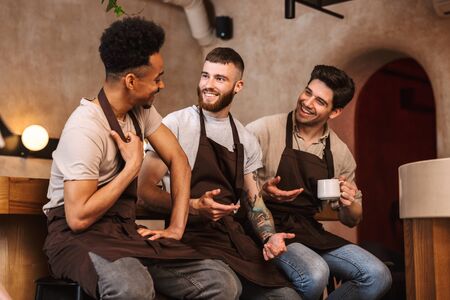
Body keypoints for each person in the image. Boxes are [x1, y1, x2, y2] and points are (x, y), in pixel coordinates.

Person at [42, 17, 240, 300]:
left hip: (124, 232)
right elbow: (78, 218)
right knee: (132, 287)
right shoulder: (84, 128)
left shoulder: (142, 112)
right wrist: (132, 166)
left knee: (222, 281)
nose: (162, 85)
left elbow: (179, 160)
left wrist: (176, 227)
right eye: (157, 78)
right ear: (131, 81)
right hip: (76, 239)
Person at [138, 47, 300, 299]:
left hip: (230, 239)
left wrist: (269, 236)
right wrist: (192, 206)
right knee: (226, 286)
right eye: (205, 75)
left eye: (220, 79)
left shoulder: (245, 138)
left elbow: (254, 202)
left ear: (238, 86)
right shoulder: (175, 124)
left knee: (287, 296)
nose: (208, 85)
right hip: (188, 239)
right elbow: (144, 191)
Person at [246, 65, 392, 300]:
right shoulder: (261, 130)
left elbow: (352, 219)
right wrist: (264, 192)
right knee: (315, 274)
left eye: (320, 102)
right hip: (264, 226)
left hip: (307, 229)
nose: (307, 102)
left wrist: (348, 201)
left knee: (377, 275)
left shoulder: (339, 153)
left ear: (335, 112)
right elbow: (234, 186)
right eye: (307, 92)